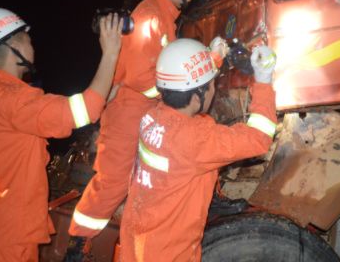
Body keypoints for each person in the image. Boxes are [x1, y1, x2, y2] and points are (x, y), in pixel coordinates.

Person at [68, 0, 229, 243]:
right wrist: (206, 65)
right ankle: (78, 242)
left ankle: (212, 198)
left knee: (195, 142)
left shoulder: (164, 15)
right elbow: (146, 79)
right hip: (129, 113)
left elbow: (169, 69)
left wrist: (207, 60)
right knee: (113, 181)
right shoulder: (150, 19)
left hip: (149, 109)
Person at [0, 7, 122, 262]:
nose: (32, 43)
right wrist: (110, 52)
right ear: (14, 45)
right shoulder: (12, 99)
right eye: (27, 37)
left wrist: (105, 96)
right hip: (7, 240)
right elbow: (82, 111)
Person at [119, 38, 278, 262]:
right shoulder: (196, 140)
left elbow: (179, 82)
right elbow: (258, 138)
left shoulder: (153, 115)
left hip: (138, 241)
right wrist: (263, 80)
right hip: (169, 254)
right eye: (211, 85)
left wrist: (212, 59)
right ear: (196, 98)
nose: (214, 89)